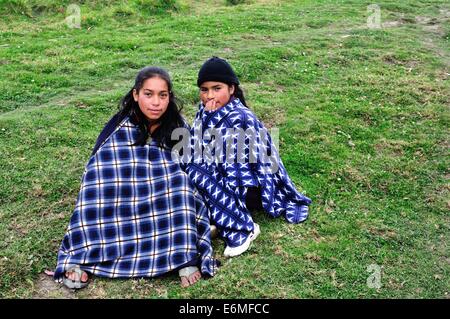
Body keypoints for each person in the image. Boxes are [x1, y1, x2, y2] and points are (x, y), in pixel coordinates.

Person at [53, 66, 218, 289]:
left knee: (181, 186)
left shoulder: (176, 125)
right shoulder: (120, 125)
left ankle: (181, 255)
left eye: (163, 95)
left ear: (170, 96)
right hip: (123, 193)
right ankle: (83, 256)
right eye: (148, 94)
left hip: (163, 191)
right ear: (136, 94)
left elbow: (196, 162)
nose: (156, 103)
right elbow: (99, 164)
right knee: (98, 183)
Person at [183, 57, 312, 258]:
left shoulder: (240, 118)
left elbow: (238, 171)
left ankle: (242, 227)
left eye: (217, 88)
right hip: (223, 176)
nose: (210, 95)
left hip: (250, 186)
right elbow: (194, 147)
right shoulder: (204, 112)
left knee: (200, 173)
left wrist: (204, 174)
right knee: (186, 170)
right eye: (204, 89)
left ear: (231, 89)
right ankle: (211, 220)